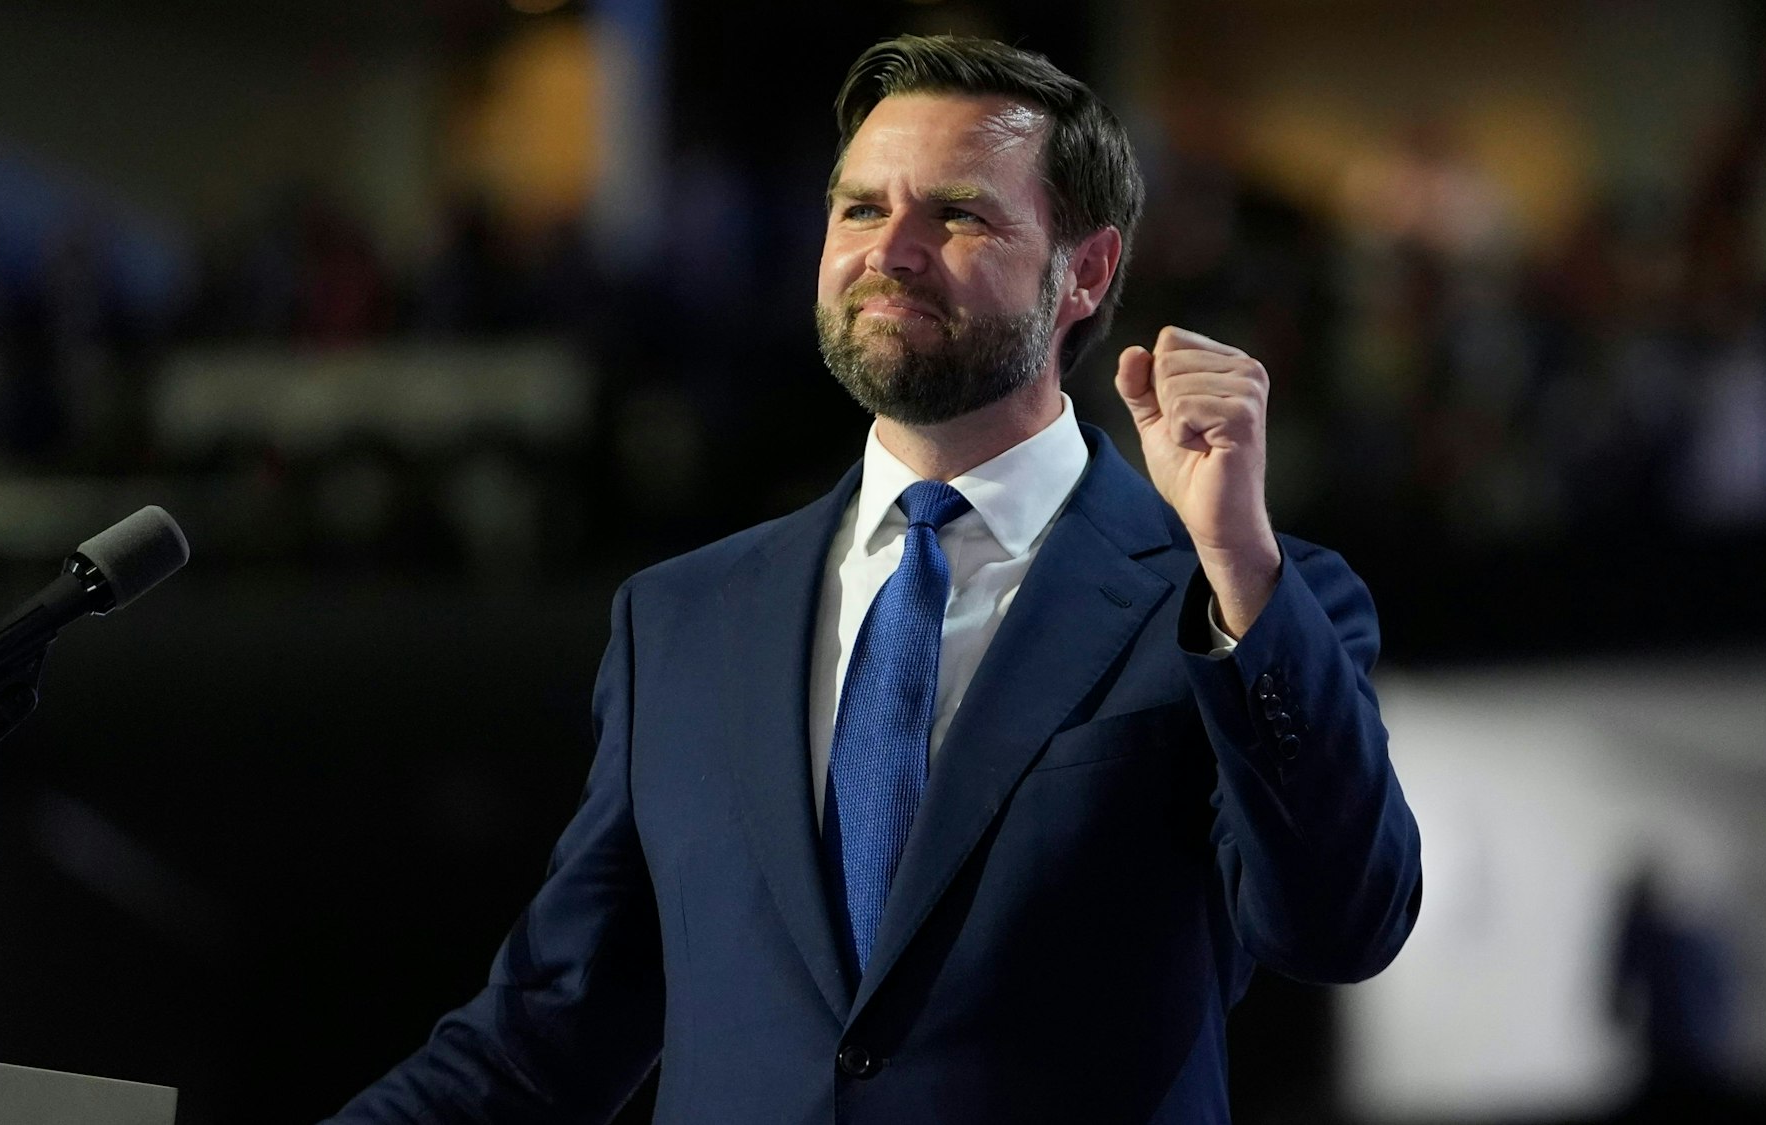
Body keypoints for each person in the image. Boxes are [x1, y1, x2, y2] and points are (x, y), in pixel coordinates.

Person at [325, 34, 1420, 1125]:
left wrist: (1233, 560)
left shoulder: (1242, 602)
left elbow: (1337, 929)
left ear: (1082, 271)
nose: (889, 251)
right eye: (857, 209)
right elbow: (545, 1037)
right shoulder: (681, 620)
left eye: (955, 214)